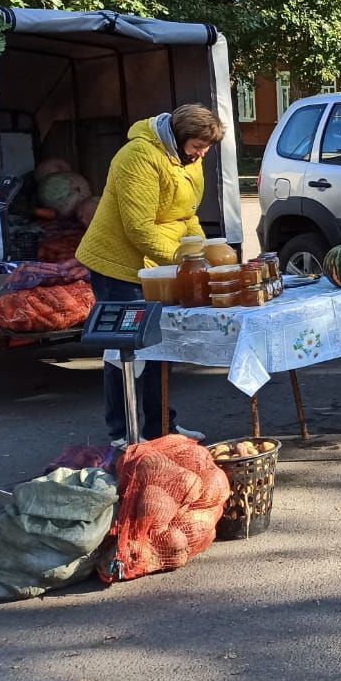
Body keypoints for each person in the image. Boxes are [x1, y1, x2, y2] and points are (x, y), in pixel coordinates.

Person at [75, 104, 225, 442]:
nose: (201, 154)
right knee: (123, 352)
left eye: (206, 148)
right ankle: (123, 433)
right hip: (118, 267)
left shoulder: (189, 160)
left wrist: (199, 250)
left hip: (157, 267)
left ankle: (160, 428)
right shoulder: (137, 156)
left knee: (161, 346)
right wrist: (184, 259)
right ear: (179, 135)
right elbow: (139, 228)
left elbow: (188, 216)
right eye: (198, 146)